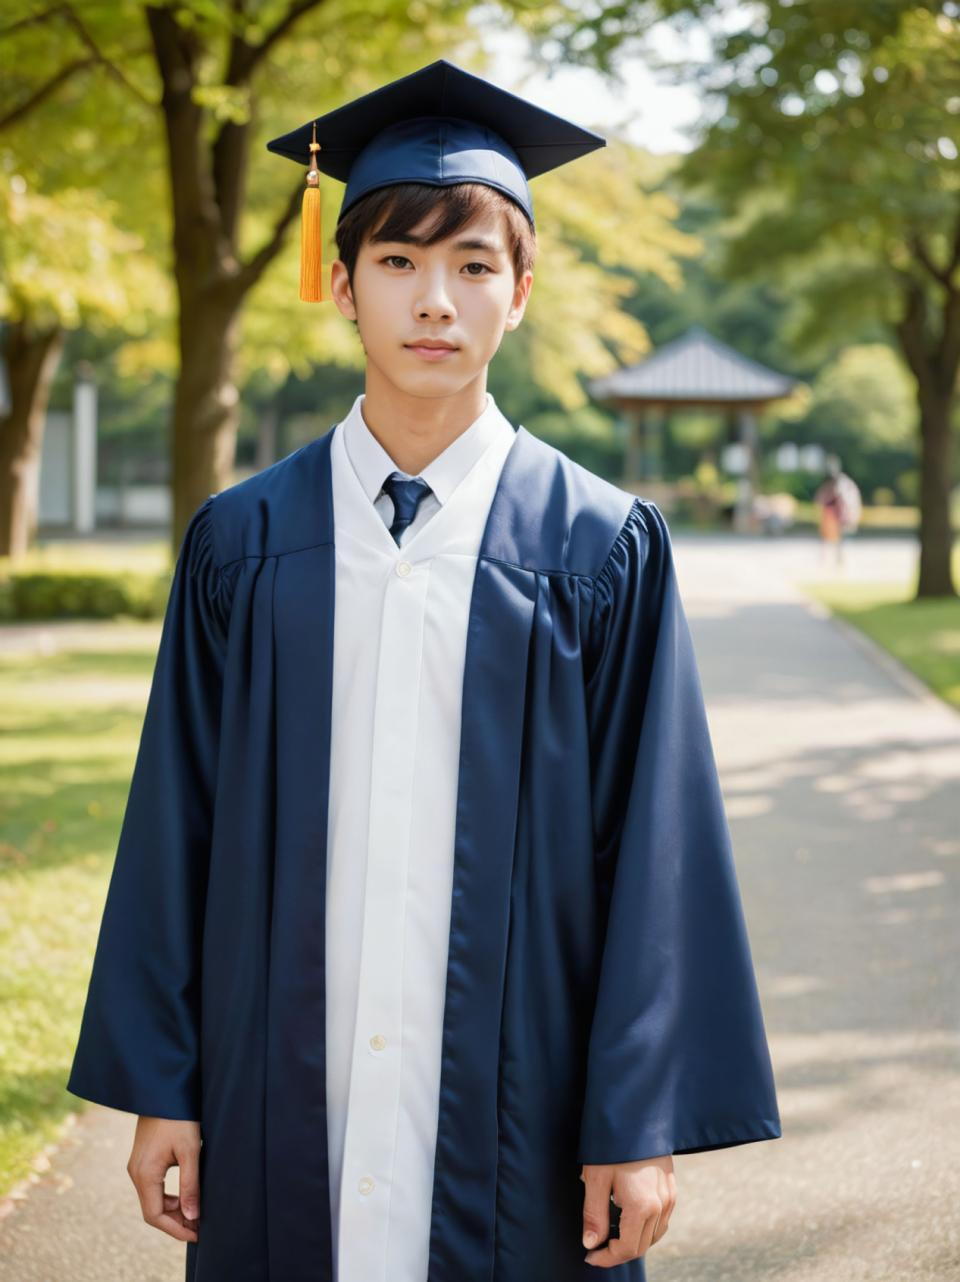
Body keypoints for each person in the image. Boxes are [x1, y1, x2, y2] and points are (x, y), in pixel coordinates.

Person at [66, 58, 782, 1282]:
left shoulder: (599, 546)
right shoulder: (244, 544)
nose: (434, 302)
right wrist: (163, 1086)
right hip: (280, 1081)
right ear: (339, 282)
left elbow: (657, 848)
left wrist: (638, 1120)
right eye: (397, 262)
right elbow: (172, 821)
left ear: (522, 289)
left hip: (526, 1100)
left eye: (472, 265)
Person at [815, 456, 862, 564]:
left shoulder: (843, 485)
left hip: (841, 515)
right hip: (835, 515)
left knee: (841, 539)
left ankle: (839, 559)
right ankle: (834, 559)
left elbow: (845, 500)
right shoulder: (838, 485)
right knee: (832, 539)